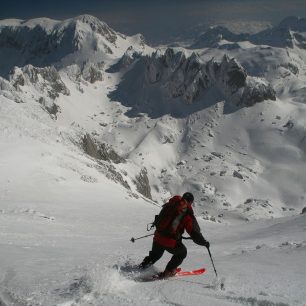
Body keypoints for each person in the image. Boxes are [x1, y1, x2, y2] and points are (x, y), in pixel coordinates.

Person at [139, 192, 210, 278]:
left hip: (158, 236)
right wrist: (204, 242)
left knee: (155, 255)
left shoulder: (171, 204)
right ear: (190, 202)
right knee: (182, 253)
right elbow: (194, 232)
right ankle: (168, 272)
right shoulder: (186, 212)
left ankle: (141, 267)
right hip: (170, 241)